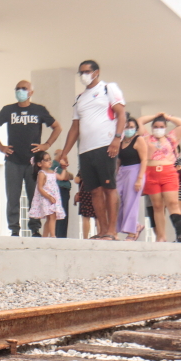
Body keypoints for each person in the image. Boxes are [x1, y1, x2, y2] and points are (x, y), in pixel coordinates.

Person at [59, 61, 125, 240]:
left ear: (96, 72)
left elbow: (121, 113)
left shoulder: (108, 88)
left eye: (87, 71)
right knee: (94, 190)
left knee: (108, 187)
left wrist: (117, 138)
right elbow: (75, 127)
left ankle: (112, 230)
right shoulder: (80, 98)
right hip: (86, 150)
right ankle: (103, 230)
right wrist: (65, 152)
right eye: (80, 72)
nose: (83, 75)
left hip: (105, 145)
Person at [0, 80, 62, 236]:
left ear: (31, 92)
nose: (20, 91)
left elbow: (57, 127)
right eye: (17, 89)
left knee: (34, 196)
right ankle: (14, 229)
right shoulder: (8, 110)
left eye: (24, 88)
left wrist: (47, 144)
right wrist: (1, 147)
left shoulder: (39, 110)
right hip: (13, 161)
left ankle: (35, 229)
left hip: (33, 163)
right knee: (13, 197)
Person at [136, 113, 181, 243]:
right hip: (151, 173)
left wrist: (168, 117)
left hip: (168, 172)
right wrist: (155, 115)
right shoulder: (146, 138)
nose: (158, 128)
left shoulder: (171, 138)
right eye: (155, 126)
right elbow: (139, 121)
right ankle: (161, 236)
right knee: (157, 206)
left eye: (161, 126)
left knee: (172, 203)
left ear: (166, 127)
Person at [115, 115, 147, 241]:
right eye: (127, 127)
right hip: (122, 171)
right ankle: (135, 226)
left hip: (135, 170)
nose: (129, 129)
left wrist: (139, 179)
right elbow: (118, 160)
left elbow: (144, 159)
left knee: (130, 201)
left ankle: (132, 232)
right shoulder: (121, 142)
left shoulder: (139, 140)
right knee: (117, 200)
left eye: (132, 127)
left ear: (136, 129)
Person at [28, 151, 66, 237]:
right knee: (52, 216)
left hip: (53, 197)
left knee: (51, 218)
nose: (49, 161)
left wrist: (64, 168)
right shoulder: (42, 174)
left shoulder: (52, 172)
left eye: (50, 159)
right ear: (39, 164)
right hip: (46, 198)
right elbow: (40, 188)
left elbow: (61, 177)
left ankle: (45, 236)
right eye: (46, 160)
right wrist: (48, 197)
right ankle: (53, 235)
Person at [51, 149, 74, 238]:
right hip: (59, 190)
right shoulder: (54, 166)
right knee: (60, 215)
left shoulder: (61, 167)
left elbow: (71, 176)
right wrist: (66, 174)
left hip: (64, 190)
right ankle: (58, 235)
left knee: (64, 215)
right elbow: (65, 177)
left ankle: (62, 235)